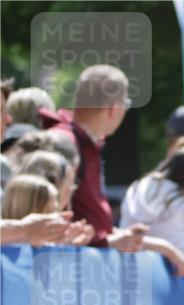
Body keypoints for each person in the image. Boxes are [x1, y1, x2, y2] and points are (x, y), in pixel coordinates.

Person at [38, 65, 146, 252]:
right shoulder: (64, 142)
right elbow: (45, 217)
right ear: (113, 109)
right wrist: (107, 241)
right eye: (126, 105)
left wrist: (112, 237)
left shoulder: (81, 142)